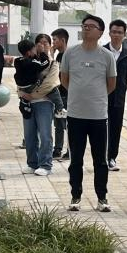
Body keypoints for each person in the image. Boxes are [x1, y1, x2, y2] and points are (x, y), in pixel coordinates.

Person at [60, 15, 117, 212]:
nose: (86, 29)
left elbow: (111, 84)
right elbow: (64, 79)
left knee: (100, 160)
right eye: (84, 26)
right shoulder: (71, 53)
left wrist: (95, 97)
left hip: (98, 116)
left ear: (100, 32)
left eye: (91, 26)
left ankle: (102, 198)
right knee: (76, 159)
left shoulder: (107, 56)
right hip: (75, 114)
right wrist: (79, 95)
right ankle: (75, 196)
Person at [15, 38, 58, 176]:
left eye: (45, 43)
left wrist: (32, 95)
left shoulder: (52, 63)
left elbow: (50, 84)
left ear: (49, 46)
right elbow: (20, 80)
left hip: (44, 102)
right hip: (27, 103)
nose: (41, 46)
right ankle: (32, 163)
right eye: (39, 43)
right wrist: (22, 94)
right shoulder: (24, 61)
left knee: (45, 135)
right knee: (29, 135)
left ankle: (45, 164)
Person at [103, 19, 127, 171]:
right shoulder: (102, 51)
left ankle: (111, 158)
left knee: (116, 129)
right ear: (109, 33)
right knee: (101, 129)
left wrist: (119, 88)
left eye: (119, 32)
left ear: (124, 35)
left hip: (118, 99)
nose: (116, 35)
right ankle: (101, 157)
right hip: (102, 97)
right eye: (114, 32)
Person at [51, 28, 70, 160]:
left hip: (67, 94)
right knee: (58, 122)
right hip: (58, 93)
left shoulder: (69, 55)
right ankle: (57, 149)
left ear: (63, 40)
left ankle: (70, 150)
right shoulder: (58, 56)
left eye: (55, 40)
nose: (53, 43)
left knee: (68, 124)